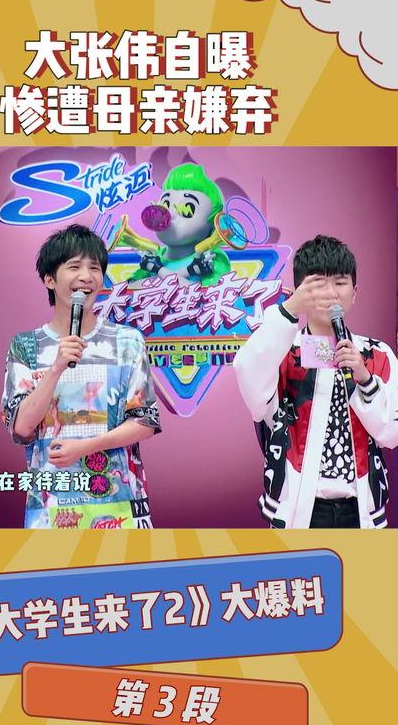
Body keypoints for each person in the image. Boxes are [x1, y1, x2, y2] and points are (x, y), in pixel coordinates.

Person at [0, 224, 161, 529]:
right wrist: (56, 368)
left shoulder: (127, 341)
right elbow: (21, 427)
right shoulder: (26, 346)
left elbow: (144, 422)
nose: (86, 276)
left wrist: (86, 447)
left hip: (121, 504)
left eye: (95, 268)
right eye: (74, 267)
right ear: (49, 279)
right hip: (51, 508)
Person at [234, 234, 398, 528]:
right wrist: (288, 310)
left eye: (340, 282)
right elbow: (251, 382)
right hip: (297, 513)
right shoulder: (282, 351)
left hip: (360, 511)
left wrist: (364, 379)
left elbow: (391, 434)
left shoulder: (377, 354)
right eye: (318, 283)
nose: (331, 293)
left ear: (355, 292)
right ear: (300, 290)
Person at [128, 162, 231, 286]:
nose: (169, 214)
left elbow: (208, 294)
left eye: (187, 210)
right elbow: (129, 288)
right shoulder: (155, 255)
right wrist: (188, 271)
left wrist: (159, 270)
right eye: (165, 204)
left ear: (212, 224)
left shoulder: (212, 257)